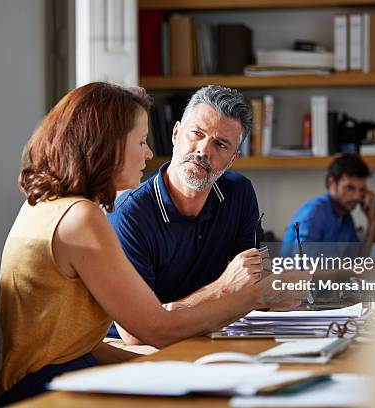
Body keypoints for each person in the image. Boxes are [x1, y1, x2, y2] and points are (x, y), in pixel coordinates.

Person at [0, 82, 293, 405]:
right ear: (106, 144)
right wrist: (251, 295)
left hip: (43, 377)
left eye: (221, 144)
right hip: (41, 391)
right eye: (140, 141)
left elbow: (71, 342)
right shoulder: (81, 219)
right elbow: (155, 330)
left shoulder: (45, 205)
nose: (149, 153)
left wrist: (167, 365)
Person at [108, 85, 264, 345]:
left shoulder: (240, 193)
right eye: (197, 134)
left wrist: (281, 287)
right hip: (140, 353)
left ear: (232, 159)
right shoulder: (130, 215)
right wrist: (223, 288)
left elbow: (253, 281)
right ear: (176, 133)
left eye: (220, 144)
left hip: (210, 337)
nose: (203, 150)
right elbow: (136, 334)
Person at [282, 154, 375, 246]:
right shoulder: (315, 212)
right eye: (349, 188)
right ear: (331, 183)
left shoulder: (345, 217)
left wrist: (372, 221)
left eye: (361, 189)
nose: (357, 196)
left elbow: (362, 260)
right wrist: (341, 263)